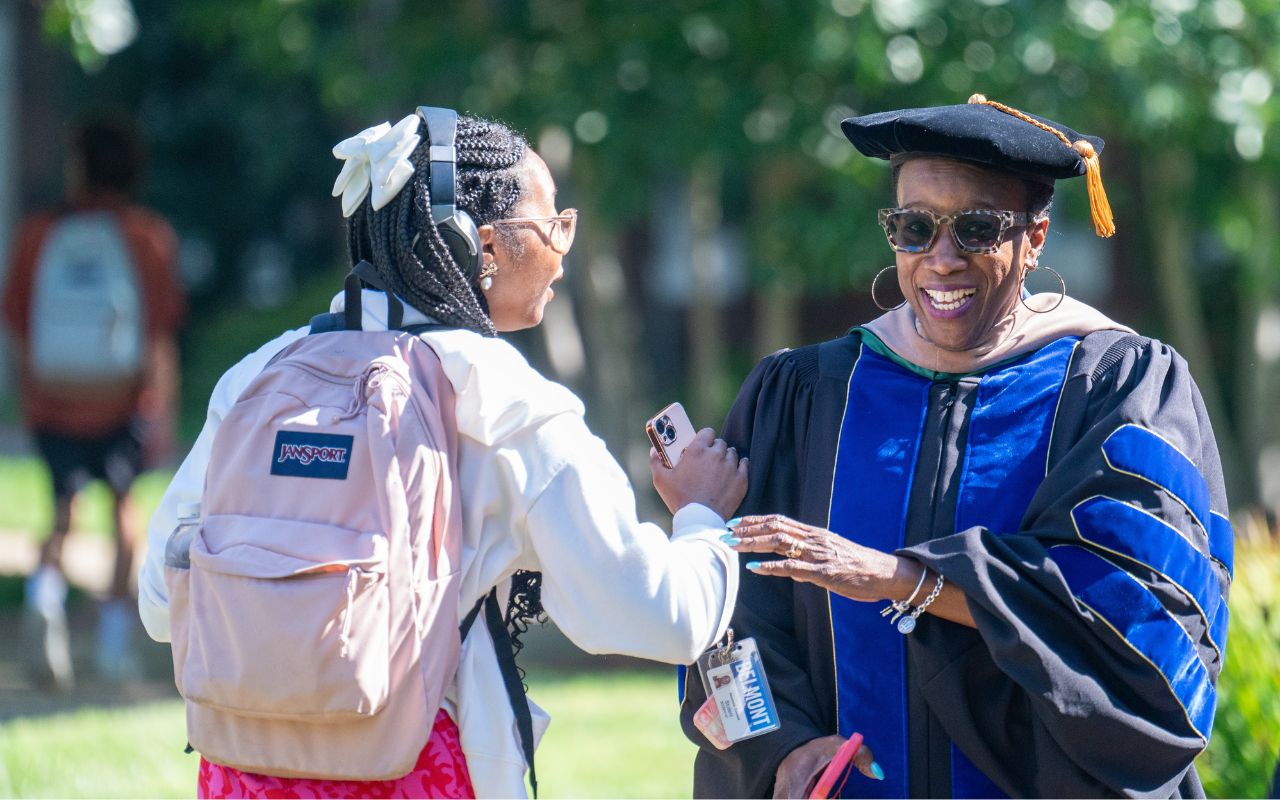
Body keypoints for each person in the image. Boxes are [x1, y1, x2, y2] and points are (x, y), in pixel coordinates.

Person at [139, 107, 746, 798]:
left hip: (240, 773)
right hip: (412, 771)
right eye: (554, 225)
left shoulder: (259, 378)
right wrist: (700, 516)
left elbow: (162, 600)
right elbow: (659, 617)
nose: (562, 247)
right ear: (481, 244)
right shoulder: (509, 407)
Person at [683, 95, 1233, 798]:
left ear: (1035, 239)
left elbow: (1140, 614)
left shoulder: (1116, 388)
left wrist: (905, 578)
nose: (941, 260)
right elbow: (725, 617)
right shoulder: (804, 393)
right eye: (914, 227)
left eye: (976, 229)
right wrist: (778, 749)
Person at [3, 113, 185, 688]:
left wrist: (34, 390)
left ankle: (46, 606)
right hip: (121, 399)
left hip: (55, 398)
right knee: (125, 515)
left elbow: (17, 320)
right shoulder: (147, 236)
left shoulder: (38, 234)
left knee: (61, 512)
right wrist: (162, 409)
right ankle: (112, 648)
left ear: (78, 168)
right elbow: (159, 333)